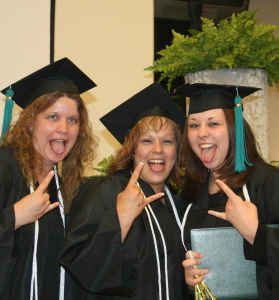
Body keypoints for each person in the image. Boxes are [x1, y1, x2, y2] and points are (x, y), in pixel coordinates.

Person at [0, 58, 98, 300]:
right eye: (53, 117)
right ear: (31, 123)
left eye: (72, 120)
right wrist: (13, 217)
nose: (64, 129)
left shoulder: (65, 188)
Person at [173, 83, 279, 299]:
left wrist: (256, 232)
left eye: (213, 123)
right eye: (193, 125)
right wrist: (192, 284)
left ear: (235, 127)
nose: (201, 133)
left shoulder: (269, 183)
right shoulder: (191, 193)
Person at [60, 83, 189, 299]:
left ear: (177, 151)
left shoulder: (178, 205)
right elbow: (78, 263)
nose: (158, 149)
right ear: (131, 150)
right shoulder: (107, 191)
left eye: (167, 141)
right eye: (146, 140)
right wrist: (119, 220)